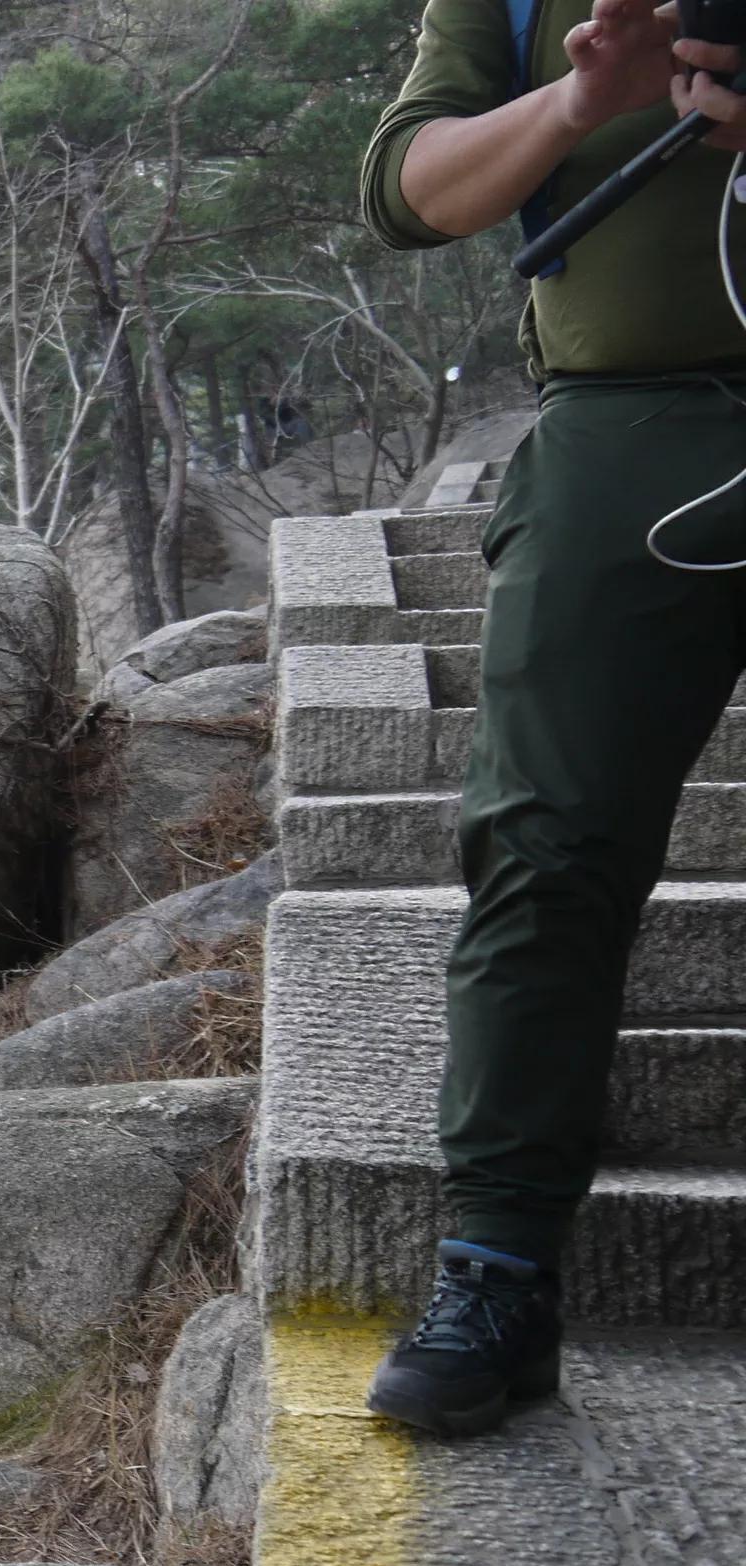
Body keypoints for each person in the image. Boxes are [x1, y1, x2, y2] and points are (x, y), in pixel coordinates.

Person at [360, 0, 746, 1437]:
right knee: (544, 845)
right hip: (619, 431)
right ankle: (497, 1272)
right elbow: (410, 187)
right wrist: (582, 106)